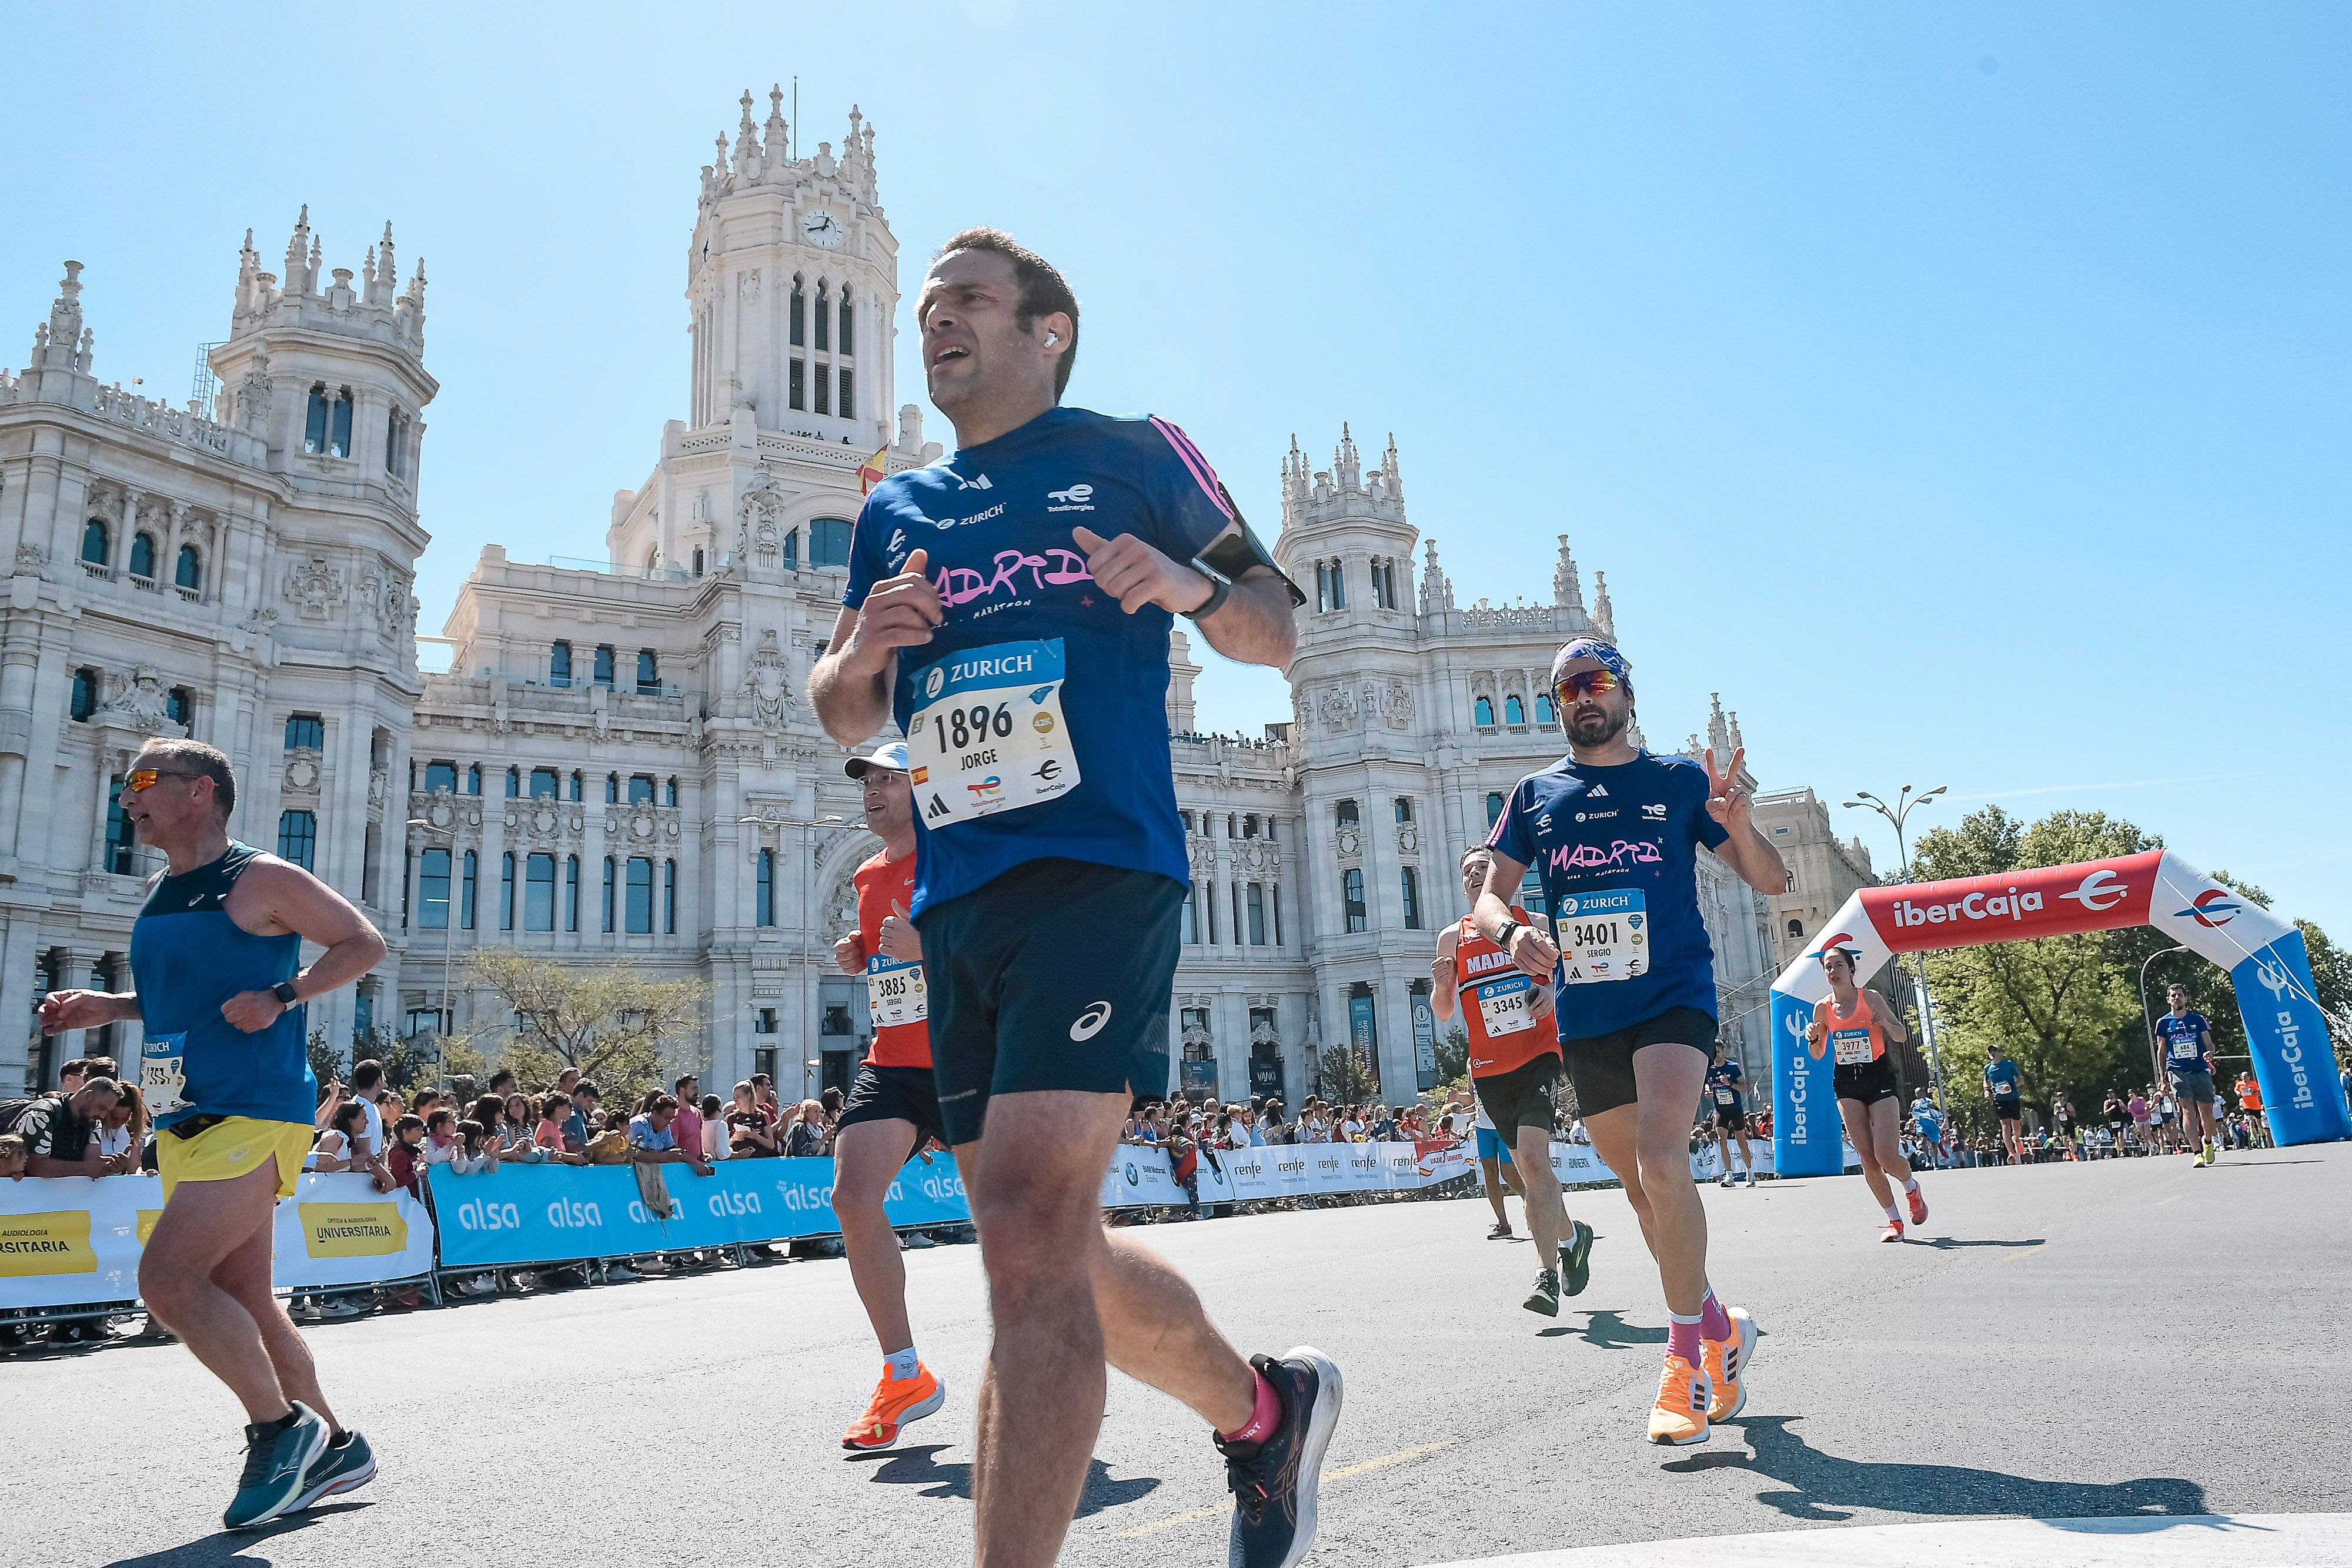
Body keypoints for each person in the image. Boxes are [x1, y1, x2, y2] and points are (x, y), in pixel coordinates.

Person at [809, 226, 1337, 1568]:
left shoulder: (1136, 452)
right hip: (963, 890)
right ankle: (1262, 1414)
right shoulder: (897, 510)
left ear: (1048, 331)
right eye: (925, 309)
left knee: (1028, 1243)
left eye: (969, 302)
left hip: (1103, 868)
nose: (936, 324)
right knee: (1046, 1244)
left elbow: (1278, 626)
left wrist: (1186, 585)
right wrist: (863, 655)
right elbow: (839, 703)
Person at [35, 738, 383, 1527]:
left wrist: (284, 994)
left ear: (201, 791)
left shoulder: (257, 876)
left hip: (256, 1108)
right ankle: (335, 1442)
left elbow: (363, 941)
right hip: (185, 1114)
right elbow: (183, 1000)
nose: (129, 796)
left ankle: (277, 1425)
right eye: (127, 783)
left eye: (144, 781)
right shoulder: (163, 889)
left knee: (166, 1281)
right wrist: (109, 1006)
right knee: (243, 1292)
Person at [1478, 637, 1780, 1447]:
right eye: (1567, 688)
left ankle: (1685, 1363)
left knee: (1662, 1160)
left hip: (1674, 996)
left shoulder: (1679, 780)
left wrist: (1741, 827)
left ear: (1625, 691)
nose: (1583, 696)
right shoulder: (1536, 793)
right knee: (1645, 1194)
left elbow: (1772, 880)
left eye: (1597, 680)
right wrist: (1509, 934)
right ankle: (1718, 1323)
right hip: (1590, 1013)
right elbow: (1489, 896)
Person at [827, 740, 951, 1452]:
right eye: (868, 780)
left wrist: (926, 951)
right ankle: (904, 1373)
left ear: (924, 788)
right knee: (850, 1198)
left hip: (969, 1058)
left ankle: (1065, 1353)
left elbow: (1001, 951)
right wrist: (863, 951)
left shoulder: (959, 857)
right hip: (895, 1062)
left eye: (889, 780)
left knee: (1023, 1220)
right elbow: (890, 957)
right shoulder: (869, 875)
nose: (873, 790)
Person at [1431, 845, 1592, 1310]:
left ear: (1504, 877)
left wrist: (1547, 987)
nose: (1474, 876)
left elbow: (1570, 980)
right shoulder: (1451, 940)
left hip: (1537, 1056)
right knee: (1528, 1168)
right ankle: (1572, 1234)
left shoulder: (1535, 926)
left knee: (1535, 1162)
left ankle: (1545, 1275)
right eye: (1466, 872)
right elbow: (1443, 1013)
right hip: (1488, 1069)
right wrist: (1444, 984)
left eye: (1482, 868)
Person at [1806, 948, 1928, 1242]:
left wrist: (1885, 1022)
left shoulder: (1869, 998)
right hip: (1847, 1081)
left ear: (1851, 970)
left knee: (1885, 1154)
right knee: (1867, 1158)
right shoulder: (1822, 1008)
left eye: (1838, 965)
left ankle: (1911, 1186)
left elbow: (1901, 1035)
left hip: (1878, 1075)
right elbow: (1818, 1053)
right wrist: (1812, 1037)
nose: (1833, 971)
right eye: (1827, 967)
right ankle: (1894, 1221)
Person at [2153, 986, 2223, 1167]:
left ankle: (2208, 1143)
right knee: (2186, 1110)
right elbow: (2162, 1051)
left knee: (2206, 1113)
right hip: (2177, 1071)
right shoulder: (2163, 1023)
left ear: (2186, 998)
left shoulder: (2198, 1020)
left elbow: (2209, 1044)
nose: (2177, 999)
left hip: (2199, 1070)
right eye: (2173, 996)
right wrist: (2163, 1079)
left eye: (2180, 996)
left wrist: (2210, 1053)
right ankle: (2197, 1152)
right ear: (2168, 1000)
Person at [1703, 1044, 1757, 1188]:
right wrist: (1708, 1091)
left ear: (1724, 1052)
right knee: (1722, 1141)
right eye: (1714, 1052)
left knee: (1741, 1143)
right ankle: (1728, 1176)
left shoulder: (1733, 1067)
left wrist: (1730, 1084)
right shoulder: (1709, 1068)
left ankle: (1750, 1173)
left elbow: (1745, 1088)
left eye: (1719, 1052)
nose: (1716, 1055)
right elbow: (1708, 1084)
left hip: (1735, 1109)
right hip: (1720, 1110)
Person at [1982, 1044, 2026, 1163]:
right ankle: (2011, 1153)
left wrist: (2012, 1086)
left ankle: (2016, 1139)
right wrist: (1987, 1091)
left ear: (2000, 1053)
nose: (1992, 1053)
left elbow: (2021, 1080)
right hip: (1999, 1100)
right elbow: (1986, 1081)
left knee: (2016, 1126)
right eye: (1990, 1051)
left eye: (1995, 1051)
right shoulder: (1988, 1068)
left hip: (2013, 1098)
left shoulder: (2009, 1064)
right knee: (2005, 1126)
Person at [1910, 1092, 1949, 1169]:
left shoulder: (1928, 1100)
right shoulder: (1915, 1102)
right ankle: (1928, 1157)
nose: (1919, 1095)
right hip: (1921, 1123)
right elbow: (1911, 1111)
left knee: (1934, 1143)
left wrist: (1932, 1107)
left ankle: (1936, 1161)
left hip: (1931, 1123)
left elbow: (1935, 1108)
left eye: (1920, 1093)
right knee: (1923, 1141)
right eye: (1918, 1093)